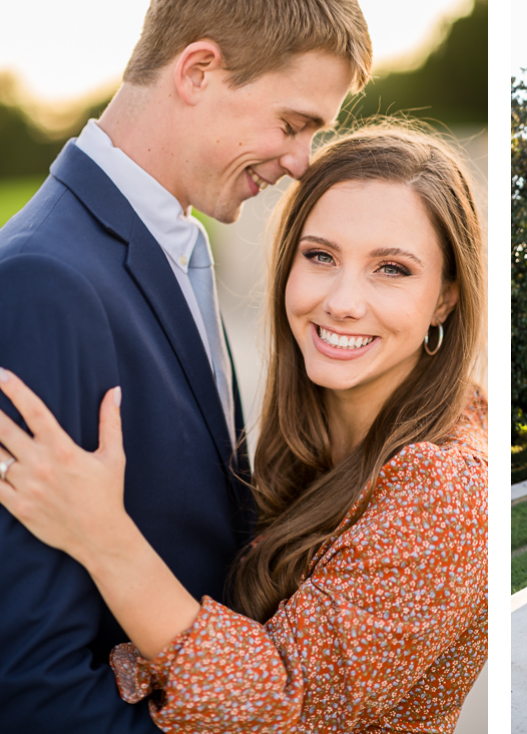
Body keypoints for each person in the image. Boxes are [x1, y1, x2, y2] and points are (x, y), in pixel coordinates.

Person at [0, 125, 488, 732]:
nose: (342, 301)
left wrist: (103, 536)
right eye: (320, 256)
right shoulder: (316, 436)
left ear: (444, 299)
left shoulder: (446, 487)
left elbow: (288, 708)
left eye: (391, 269)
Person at [0, 1, 371, 731]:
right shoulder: (43, 282)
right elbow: (30, 676)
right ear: (198, 70)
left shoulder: (174, 243)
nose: (301, 162)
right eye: (293, 125)